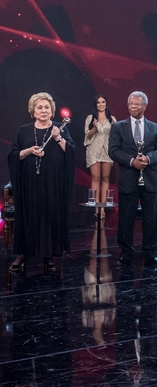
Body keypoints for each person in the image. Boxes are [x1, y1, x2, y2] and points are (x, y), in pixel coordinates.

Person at [8, 92, 76, 272]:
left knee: (49, 216)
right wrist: (29, 151)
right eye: (40, 107)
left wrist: (58, 138)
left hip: (52, 183)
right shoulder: (24, 130)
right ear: (33, 110)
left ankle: (49, 255)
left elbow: (71, 152)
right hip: (30, 183)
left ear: (52, 110)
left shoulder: (59, 129)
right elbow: (14, 155)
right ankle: (23, 254)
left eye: (47, 107)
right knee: (30, 216)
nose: (44, 111)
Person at [108, 91, 157, 266]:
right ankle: (126, 253)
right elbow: (113, 151)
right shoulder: (118, 127)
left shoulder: (155, 128)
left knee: (150, 219)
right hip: (128, 179)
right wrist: (131, 161)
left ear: (145, 106)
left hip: (149, 180)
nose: (133, 106)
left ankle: (150, 252)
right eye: (130, 104)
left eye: (137, 104)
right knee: (126, 218)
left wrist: (148, 159)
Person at [84, 94, 116, 219]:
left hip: (107, 150)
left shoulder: (112, 118)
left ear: (106, 104)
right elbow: (88, 136)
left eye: (103, 102)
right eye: (98, 102)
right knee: (96, 177)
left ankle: (103, 208)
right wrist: (94, 128)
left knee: (105, 178)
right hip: (94, 150)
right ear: (95, 105)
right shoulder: (90, 118)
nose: (101, 104)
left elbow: (115, 136)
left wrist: (114, 128)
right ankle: (96, 207)